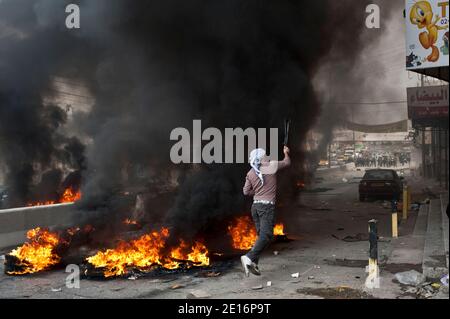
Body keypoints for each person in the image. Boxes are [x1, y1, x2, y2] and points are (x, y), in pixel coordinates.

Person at [241, 146, 291, 276]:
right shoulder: (271, 166)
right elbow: (287, 162)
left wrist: (257, 192)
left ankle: (254, 262)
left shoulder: (251, 173)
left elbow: (246, 191)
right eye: (265, 155)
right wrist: (285, 153)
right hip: (266, 208)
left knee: (263, 237)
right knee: (266, 235)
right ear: (263, 157)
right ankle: (248, 257)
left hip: (256, 208)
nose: (267, 156)